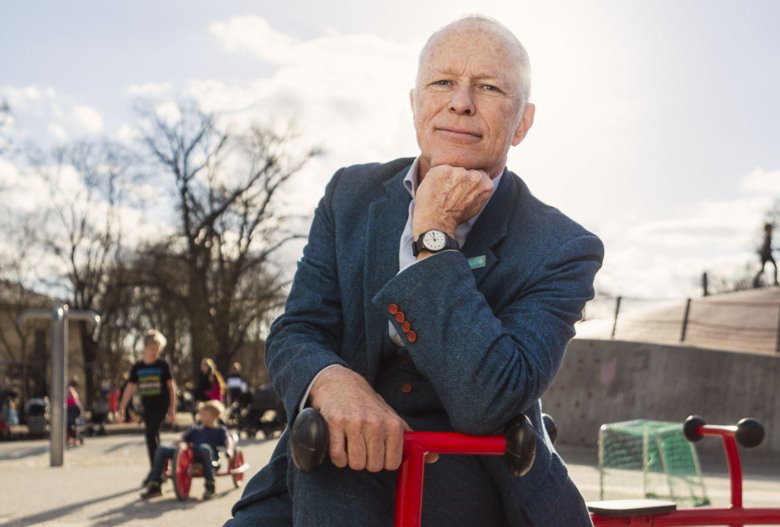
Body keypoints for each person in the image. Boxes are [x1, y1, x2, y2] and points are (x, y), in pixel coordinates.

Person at [227, 15, 603, 527]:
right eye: (443, 82)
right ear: (414, 103)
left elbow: (487, 401)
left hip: (474, 485)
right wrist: (331, 380)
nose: (461, 101)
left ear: (523, 122)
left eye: (488, 87)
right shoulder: (350, 195)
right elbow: (298, 329)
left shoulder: (562, 247)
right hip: (322, 463)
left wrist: (434, 234)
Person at [118, 330, 177, 485]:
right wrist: (122, 407)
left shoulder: (162, 365)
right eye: (152, 347)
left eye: (157, 347)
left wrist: (172, 409)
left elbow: (171, 388)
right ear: (145, 347)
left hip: (161, 404)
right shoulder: (138, 367)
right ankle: (157, 470)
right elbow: (129, 388)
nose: (155, 350)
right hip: (147, 406)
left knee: (151, 434)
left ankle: (155, 473)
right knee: (152, 438)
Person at [141, 399, 229, 500]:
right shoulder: (196, 429)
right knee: (162, 449)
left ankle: (210, 486)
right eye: (201, 414)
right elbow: (183, 438)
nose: (201, 417)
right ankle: (155, 485)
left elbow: (228, 441)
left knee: (204, 448)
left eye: (205, 415)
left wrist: (229, 450)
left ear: (215, 416)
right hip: (191, 455)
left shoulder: (220, 430)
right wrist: (178, 444)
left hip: (207, 457)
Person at [754, 222, 778, 287]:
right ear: (767, 229)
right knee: (763, 269)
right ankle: (755, 282)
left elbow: (767, 246)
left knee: (773, 267)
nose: (771, 229)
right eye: (770, 228)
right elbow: (766, 246)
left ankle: (775, 281)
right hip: (765, 255)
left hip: (767, 254)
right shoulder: (767, 236)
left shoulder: (768, 236)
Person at [66, 379, 83, 445]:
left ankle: (69, 439)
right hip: (72, 410)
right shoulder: (72, 390)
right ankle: (74, 439)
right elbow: (76, 401)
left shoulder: (68, 390)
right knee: (73, 425)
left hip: (69, 410)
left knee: (69, 425)